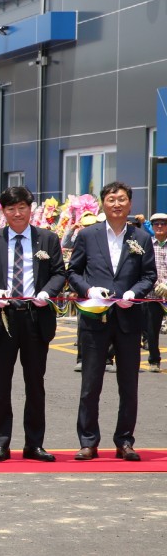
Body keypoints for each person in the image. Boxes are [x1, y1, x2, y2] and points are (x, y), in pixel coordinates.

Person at [0, 186, 67, 463]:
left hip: (36, 317)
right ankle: (1, 442)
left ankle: (34, 444)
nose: (17, 213)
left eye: (22, 207)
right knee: (1, 384)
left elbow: (59, 272)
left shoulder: (47, 239)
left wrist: (47, 292)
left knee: (35, 383)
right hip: (3, 317)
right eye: (11, 209)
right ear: (4, 211)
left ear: (30, 208)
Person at [67, 181, 155, 461]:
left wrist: (134, 292)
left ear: (130, 204)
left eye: (122, 199)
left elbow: (149, 275)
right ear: (102, 204)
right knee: (91, 384)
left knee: (129, 385)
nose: (116, 204)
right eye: (111, 199)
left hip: (129, 318)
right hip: (96, 317)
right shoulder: (88, 235)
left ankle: (125, 441)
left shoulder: (140, 237)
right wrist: (89, 290)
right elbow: (73, 271)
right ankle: (88, 441)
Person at [143, 211, 167, 373]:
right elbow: (143, 269)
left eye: (163, 224)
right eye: (156, 224)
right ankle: (154, 359)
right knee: (152, 330)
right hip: (153, 295)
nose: (159, 226)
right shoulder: (147, 245)